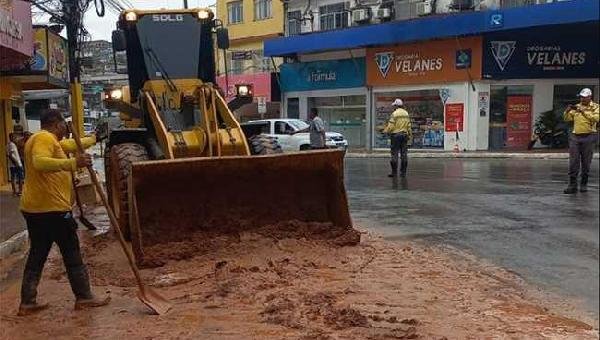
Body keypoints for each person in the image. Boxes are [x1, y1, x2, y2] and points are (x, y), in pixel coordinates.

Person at [18, 109, 110, 316]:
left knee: (38, 253)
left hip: (36, 209)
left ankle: (27, 301)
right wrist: (73, 163)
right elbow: (39, 162)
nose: (65, 130)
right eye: (63, 126)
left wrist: (94, 138)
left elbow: (69, 145)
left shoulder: (44, 139)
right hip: (52, 210)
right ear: (57, 124)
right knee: (72, 253)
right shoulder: (44, 138)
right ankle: (84, 297)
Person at [562, 88, 599, 194]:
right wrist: (567, 111)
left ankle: (583, 184)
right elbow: (567, 119)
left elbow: (596, 119)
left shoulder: (596, 107)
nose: (582, 99)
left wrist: (583, 112)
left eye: (584, 97)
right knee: (573, 161)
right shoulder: (577, 106)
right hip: (575, 136)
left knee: (586, 162)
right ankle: (572, 185)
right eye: (581, 97)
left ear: (590, 97)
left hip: (589, 136)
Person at [382, 99, 412, 178]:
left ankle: (394, 173)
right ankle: (403, 173)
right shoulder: (406, 113)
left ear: (396, 106)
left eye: (394, 106)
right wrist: (410, 135)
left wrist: (385, 131)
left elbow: (391, 126)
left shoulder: (394, 114)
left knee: (394, 154)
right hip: (404, 135)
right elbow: (409, 126)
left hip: (395, 136)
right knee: (404, 154)